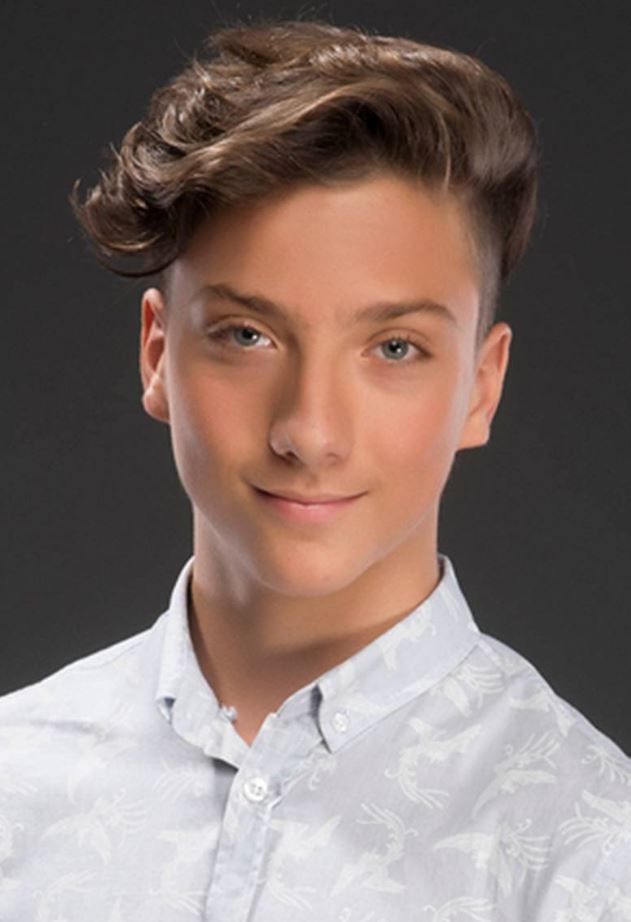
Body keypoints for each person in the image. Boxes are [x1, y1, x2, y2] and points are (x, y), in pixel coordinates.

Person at [1, 17, 629, 921]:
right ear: (156, 354)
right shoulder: (14, 788)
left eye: (394, 347)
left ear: (481, 387)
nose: (309, 431)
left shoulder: (592, 852)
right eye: (246, 335)